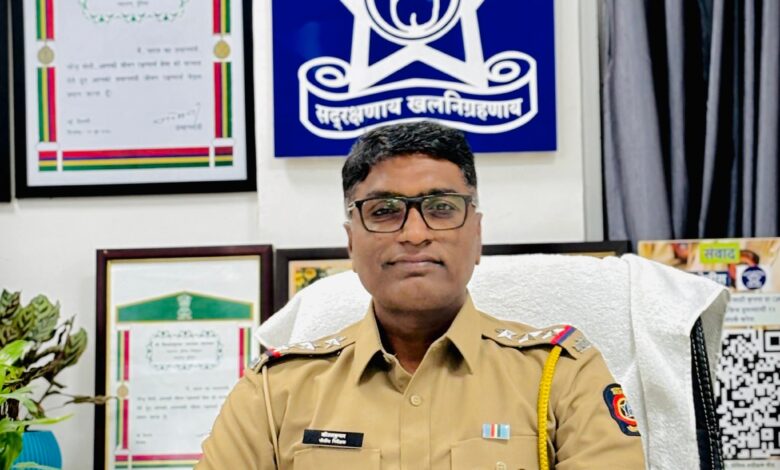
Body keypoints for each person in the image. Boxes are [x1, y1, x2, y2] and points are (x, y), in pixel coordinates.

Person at [196, 121, 646, 469]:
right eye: (384, 211)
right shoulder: (275, 392)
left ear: (477, 235)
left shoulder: (560, 375)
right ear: (351, 243)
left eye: (442, 208)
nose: (414, 234)